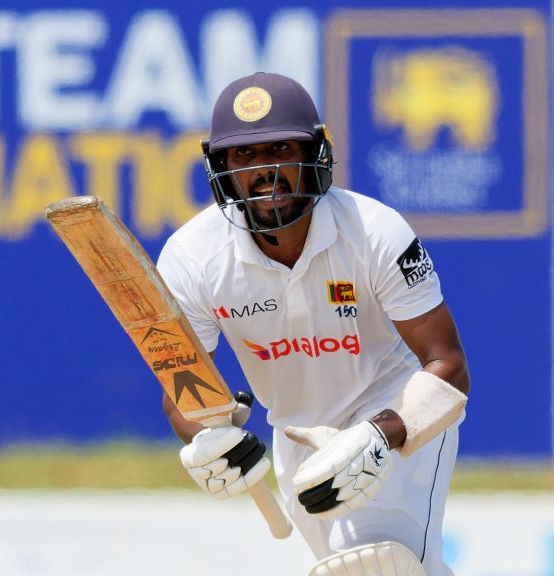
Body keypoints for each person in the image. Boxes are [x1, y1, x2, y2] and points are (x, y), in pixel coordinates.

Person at [155, 72, 470, 576]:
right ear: (221, 167)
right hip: (296, 435)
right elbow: (183, 395)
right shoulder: (192, 257)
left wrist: (379, 434)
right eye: (245, 155)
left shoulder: (375, 232)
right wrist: (207, 438)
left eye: (281, 148)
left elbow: (448, 366)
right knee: (379, 572)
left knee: (371, 562)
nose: (265, 169)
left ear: (315, 153)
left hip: (397, 414)